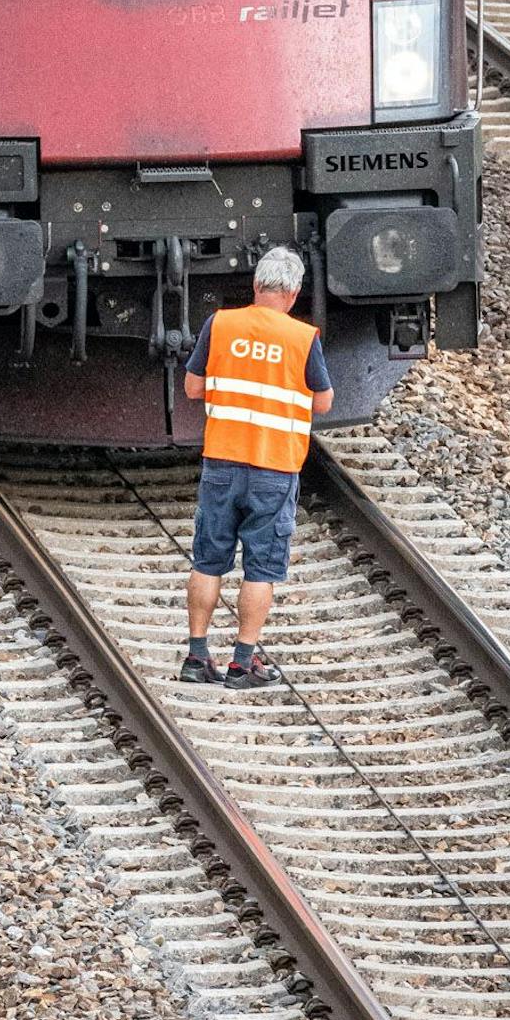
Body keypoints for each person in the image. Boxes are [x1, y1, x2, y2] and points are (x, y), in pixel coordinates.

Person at [178, 246, 332, 690]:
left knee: (208, 560)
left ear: (256, 286)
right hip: (273, 467)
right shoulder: (302, 338)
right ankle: (242, 664)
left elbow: (192, 388)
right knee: (261, 568)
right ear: (294, 292)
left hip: (222, 462)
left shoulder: (221, 323)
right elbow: (322, 401)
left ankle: (196, 656)